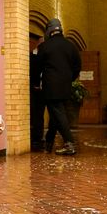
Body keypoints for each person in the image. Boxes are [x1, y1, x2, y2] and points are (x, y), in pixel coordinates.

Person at [38, 18, 81, 155]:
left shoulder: (45, 46)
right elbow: (77, 67)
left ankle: (69, 143)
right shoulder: (71, 46)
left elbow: (37, 67)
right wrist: (69, 79)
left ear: (49, 30)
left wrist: (35, 82)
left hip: (51, 87)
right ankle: (49, 143)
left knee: (58, 113)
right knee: (56, 115)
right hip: (66, 87)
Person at [30, 35, 45, 152]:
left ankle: (38, 137)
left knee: (38, 115)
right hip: (35, 90)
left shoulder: (38, 57)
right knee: (37, 115)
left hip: (40, 90)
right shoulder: (33, 57)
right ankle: (36, 138)